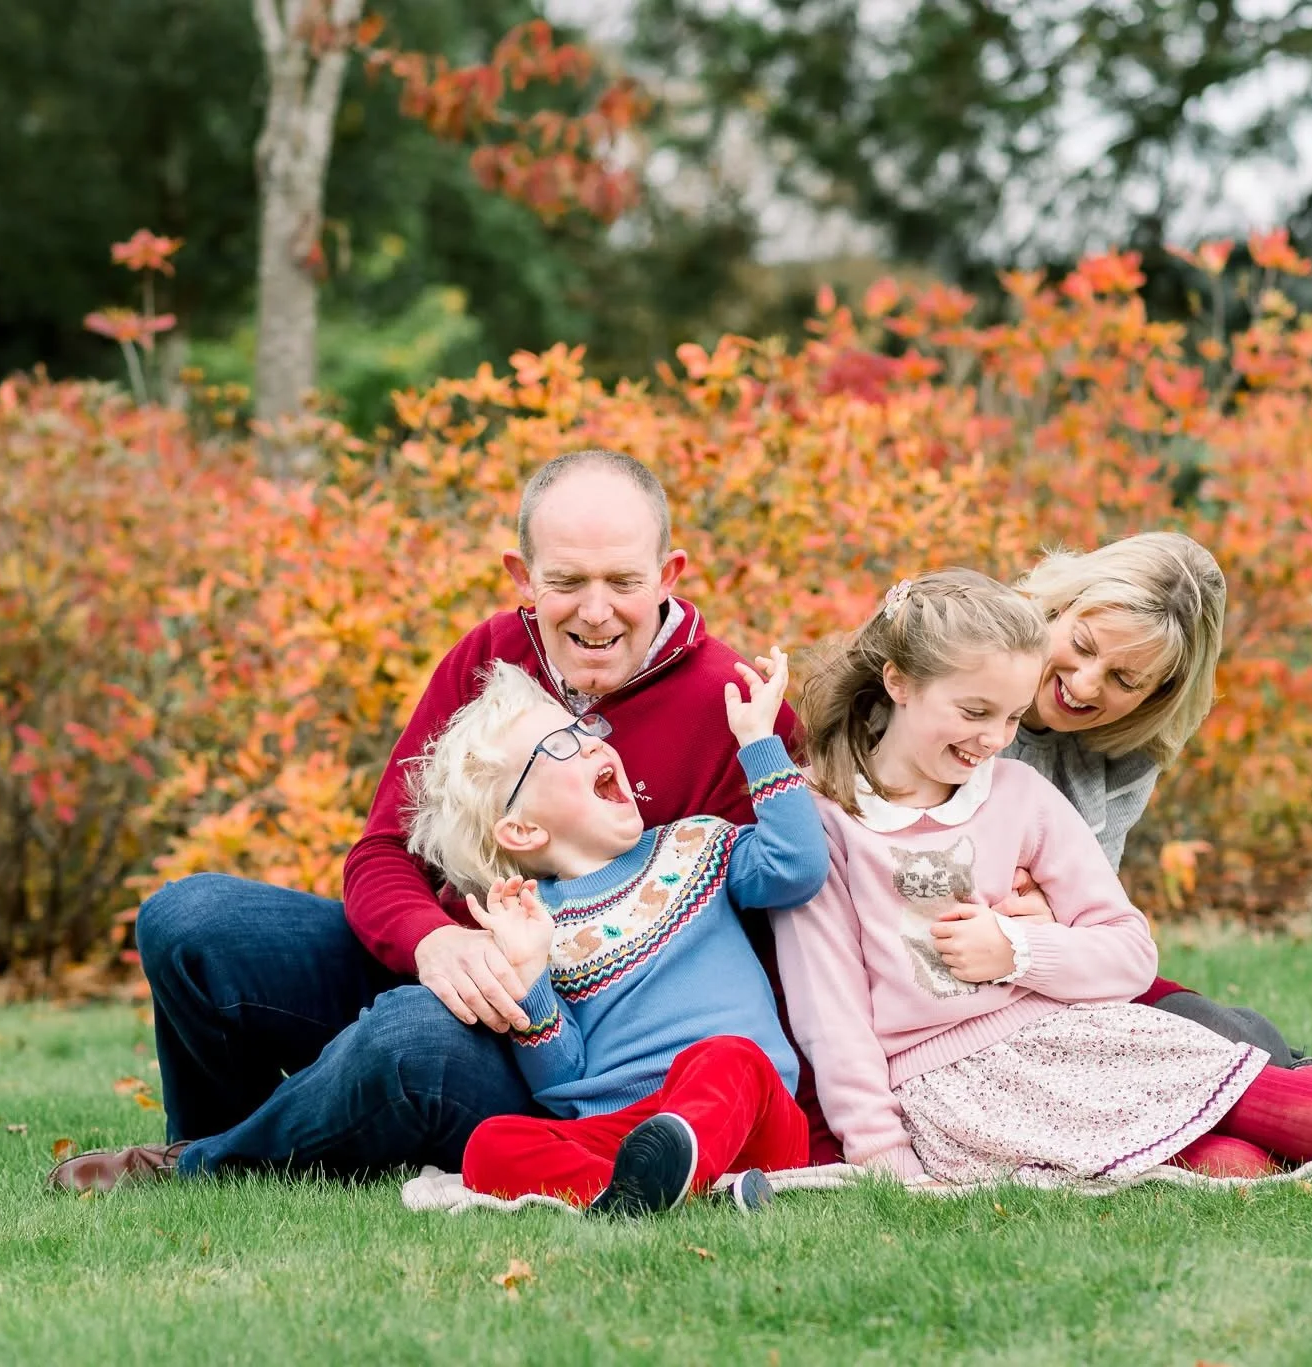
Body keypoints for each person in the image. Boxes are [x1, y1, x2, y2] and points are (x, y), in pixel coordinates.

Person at [48, 449, 818, 1192]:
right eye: (565, 581)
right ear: (523, 578)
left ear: (668, 575)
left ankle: (204, 1170)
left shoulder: (737, 710)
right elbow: (384, 851)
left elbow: (788, 918)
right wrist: (433, 940)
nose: (595, 610)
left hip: (557, 1051)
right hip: (442, 965)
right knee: (188, 920)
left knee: (409, 1035)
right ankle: (223, 1141)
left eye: (622, 580)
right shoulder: (488, 654)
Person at [774, 570, 1312, 1182]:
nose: (994, 740)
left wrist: (1017, 951)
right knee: (1236, 1166)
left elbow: (1130, 951)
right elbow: (830, 1011)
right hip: (956, 1084)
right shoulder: (826, 820)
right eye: (975, 712)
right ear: (898, 682)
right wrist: (882, 1152)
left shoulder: (1018, 794)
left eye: (1010, 717)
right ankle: (1189, 1144)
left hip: (1071, 1035)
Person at [1004, 533, 1312, 1143]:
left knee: (1211, 1032)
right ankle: (1296, 1107)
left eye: (1125, 679)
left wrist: (1054, 914)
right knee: (1147, 1063)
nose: (1089, 684)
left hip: (1057, 970)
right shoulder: (967, 683)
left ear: (1156, 695)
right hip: (962, 978)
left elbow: (1091, 915)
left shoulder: (1121, 755)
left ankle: (1305, 1087)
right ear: (1057, 609)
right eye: (1082, 645)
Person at [406, 653, 823, 1213]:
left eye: (581, 728)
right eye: (558, 745)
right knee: (492, 1144)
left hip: (748, 1113)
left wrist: (758, 743)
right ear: (523, 829)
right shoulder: (536, 924)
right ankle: (633, 1193)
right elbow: (561, 1081)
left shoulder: (695, 845)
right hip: (620, 1128)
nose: (592, 743)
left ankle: (664, 1178)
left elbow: (797, 865)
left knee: (730, 1058)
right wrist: (531, 981)